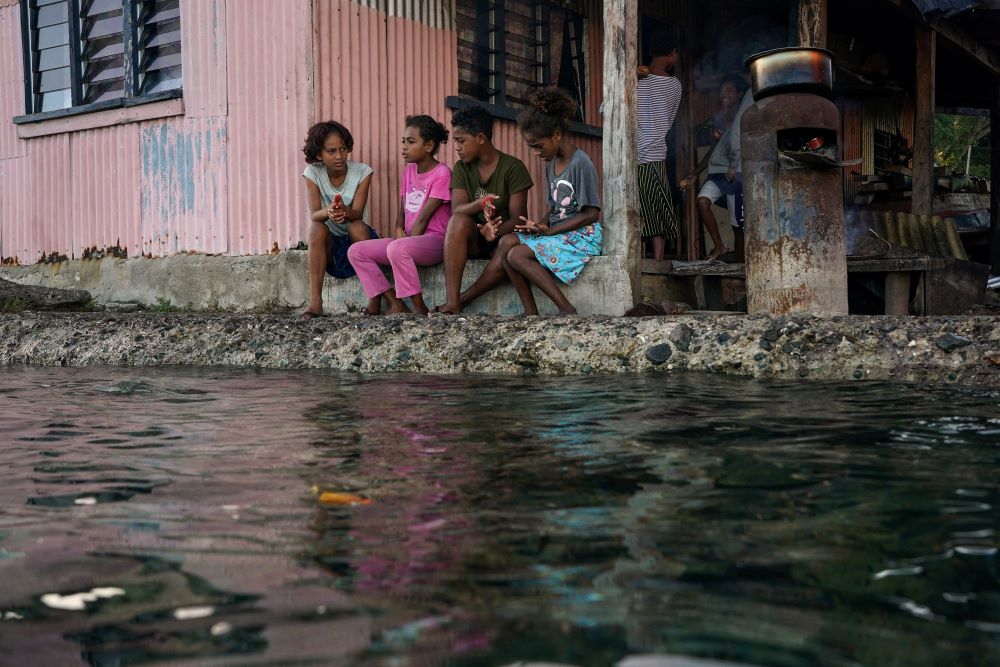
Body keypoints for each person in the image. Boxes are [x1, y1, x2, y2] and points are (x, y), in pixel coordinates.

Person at [497, 87, 602, 316]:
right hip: (559, 232)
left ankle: (566, 308)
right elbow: (555, 209)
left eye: (538, 145)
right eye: (531, 147)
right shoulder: (551, 164)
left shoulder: (580, 163)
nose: (536, 152)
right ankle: (530, 312)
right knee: (506, 242)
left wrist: (550, 232)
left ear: (556, 135)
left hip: (582, 236)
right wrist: (540, 225)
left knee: (517, 255)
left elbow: (591, 213)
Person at [347, 115, 452, 316]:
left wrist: (404, 242)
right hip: (407, 242)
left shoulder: (442, 174)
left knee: (397, 247)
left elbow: (423, 218)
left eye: (411, 142)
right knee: (356, 251)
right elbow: (402, 212)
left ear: (429, 145)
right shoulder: (408, 172)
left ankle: (419, 307)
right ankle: (395, 302)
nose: (404, 147)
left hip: (435, 242)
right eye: (403, 141)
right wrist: (398, 230)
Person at [434, 105, 533, 315]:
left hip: (503, 237)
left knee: (507, 249)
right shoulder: (462, 168)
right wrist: (480, 206)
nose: (457, 148)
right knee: (457, 221)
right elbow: (458, 209)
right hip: (474, 238)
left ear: (480, 138)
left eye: (461, 141)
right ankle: (452, 300)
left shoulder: (513, 168)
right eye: (455, 142)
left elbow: (519, 218)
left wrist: (494, 232)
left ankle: (463, 299)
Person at [301, 120, 377, 318]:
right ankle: (316, 302)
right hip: (330, 246)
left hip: (357, 239)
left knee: (357, 227)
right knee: (316, 228)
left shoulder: (362, 172)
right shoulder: (312, 173)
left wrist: (344, 211)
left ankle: (374, 299)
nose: (339, 156)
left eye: (343, 149)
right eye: (331, 151)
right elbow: (314, 214)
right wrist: (329, 211)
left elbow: (358, 213)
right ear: (319, 154)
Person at [682, 74, 753, 262]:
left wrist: (736, 166)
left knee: (737, 225)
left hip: (734, 175)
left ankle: (740, 265)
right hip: (716, 173)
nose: (723, 94)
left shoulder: (746, 117)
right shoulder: (719, 120)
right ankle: (720, 246)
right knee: (702, 202)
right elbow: (713, 151)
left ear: (739, 94)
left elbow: (748, 146)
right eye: (722, 91)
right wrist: (695, 173)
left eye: (729, 90)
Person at [637, 28, 683, 261]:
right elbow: (671, 118)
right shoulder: (674, 85)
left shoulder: (632, 79)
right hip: (655, 152)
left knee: (637, 208)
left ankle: (636, 257)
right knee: (658, 207)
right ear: (673, 54)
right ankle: (658, 259)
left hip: (629, 154)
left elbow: (606, 108)